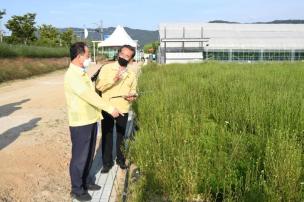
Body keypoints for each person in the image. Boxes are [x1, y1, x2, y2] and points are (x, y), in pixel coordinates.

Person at [64, 42, 121, 201]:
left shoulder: (81, 73)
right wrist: (109, 108)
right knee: (80, 156)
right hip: (80, 121)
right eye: (88, 56)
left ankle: (85, 181)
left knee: (89, 154)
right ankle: (76, 189)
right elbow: (89, 96)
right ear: (79, 56)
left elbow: (92, 92)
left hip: (89, 118)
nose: (89, 58)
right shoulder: (72, 75)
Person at [96, 44, 137, 173]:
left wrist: (132, 96)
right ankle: (107, 163)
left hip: (123, 108)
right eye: (122, 54)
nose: (124, 57)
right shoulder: (107, 68)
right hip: (108, 107)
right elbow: (99, 86)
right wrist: (114, 79)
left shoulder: (131, 73)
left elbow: (134, 90)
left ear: (131, 59)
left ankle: (121, 160)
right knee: (107, 135)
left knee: (121, 136)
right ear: (118, 53)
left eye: (127, 56)